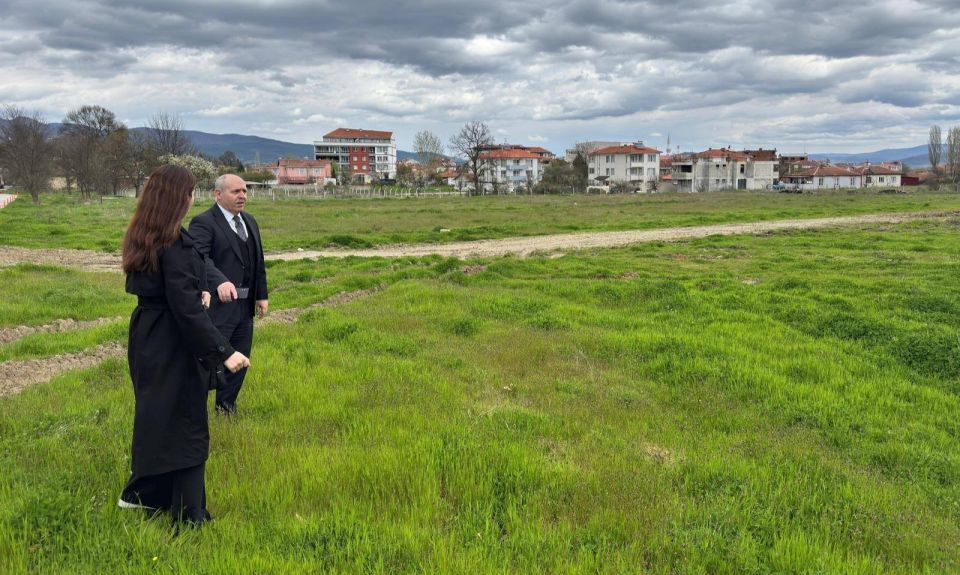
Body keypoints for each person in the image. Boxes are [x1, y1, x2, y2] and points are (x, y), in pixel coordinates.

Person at [119, 165, 250, 526]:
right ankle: (190, 515)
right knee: (187, 422)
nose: (193, 198)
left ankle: (143, 496)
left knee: (158, 416)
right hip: (173, 342)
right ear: (180, 197)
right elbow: (187, 312)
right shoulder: (174, 242)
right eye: (191, 192)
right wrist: (224, 352)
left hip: (148, 336)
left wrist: (198, 291)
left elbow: (168, 289)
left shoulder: (144, 234)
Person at [188, 174, 268, 415]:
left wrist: (261, 295)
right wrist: (219, 281)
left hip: (245, 307)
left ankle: (226, 408)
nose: (242, 196)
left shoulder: (250, 221)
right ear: (218, 194)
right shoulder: (203, 222)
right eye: (236, 191)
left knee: (240, 359)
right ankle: (193, 411)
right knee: (209, 360)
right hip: (218, 307)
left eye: (244, 191)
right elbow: (199, 258)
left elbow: (258, 261)